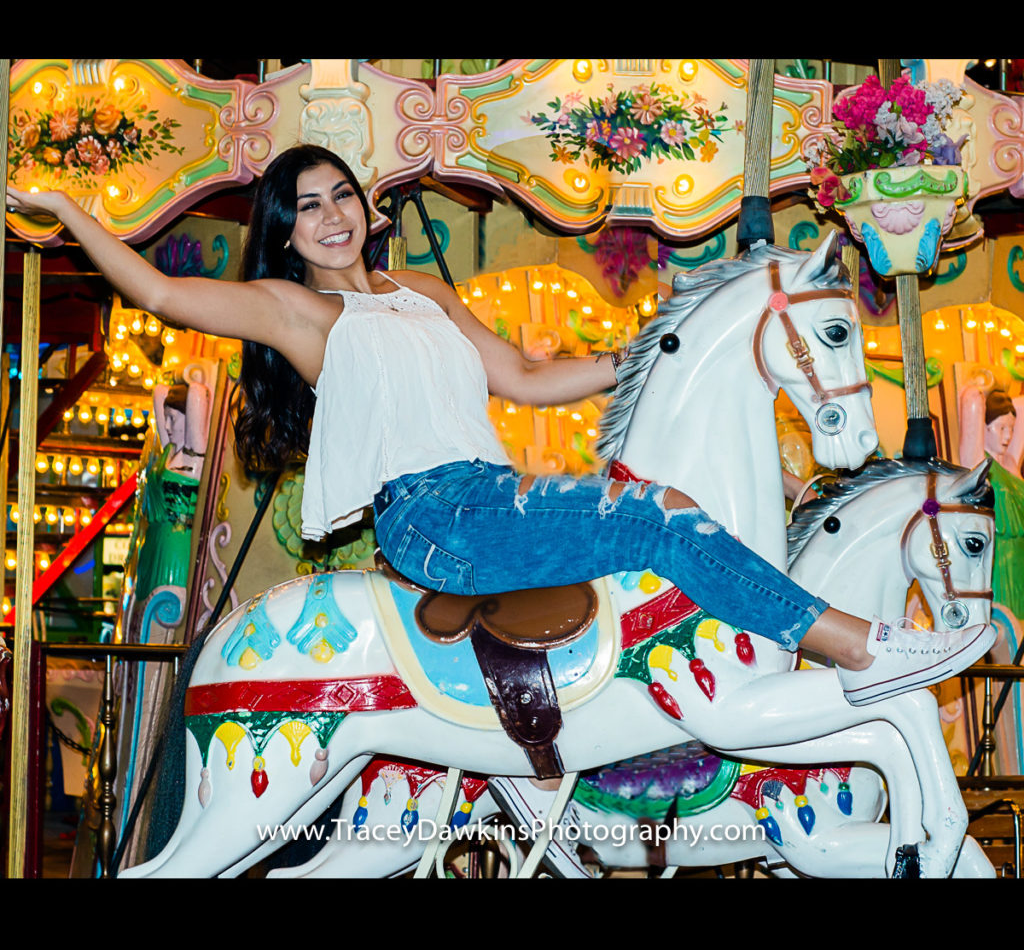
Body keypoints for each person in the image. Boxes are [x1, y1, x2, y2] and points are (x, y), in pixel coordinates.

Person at [6, 144, 995, 706]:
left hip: (490, 492)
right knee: (661, 514)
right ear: (287, 230)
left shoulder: (422, 289)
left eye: (340, 194)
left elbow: (522, 376)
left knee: (657, 526)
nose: (332, 215)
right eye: (306, 208)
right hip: (433, 514)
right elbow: (157, 289)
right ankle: (856, 648)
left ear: (362, 202)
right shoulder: (295, 311)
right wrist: (65, 207)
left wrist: (659, 353)